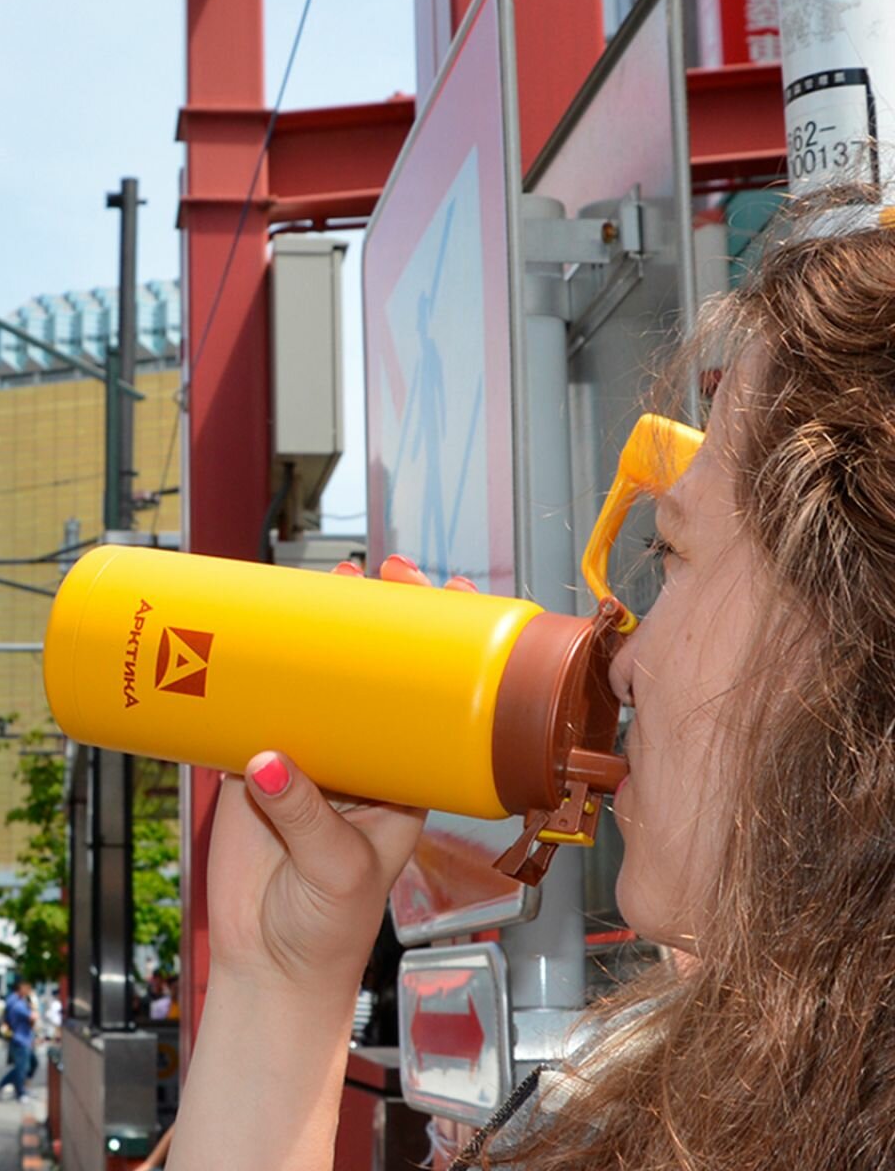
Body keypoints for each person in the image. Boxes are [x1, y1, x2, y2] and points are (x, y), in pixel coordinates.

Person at [164, 190, 895, 1171]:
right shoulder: (723, 1090)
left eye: (671, 553)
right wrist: (282, 979)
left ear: (844, 630)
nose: (623, 661)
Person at [0, 980, 37, 1103]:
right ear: (21, 987)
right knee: (22, 1067)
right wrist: (33, 1005)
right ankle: (19, 1091)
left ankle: (16, 1086)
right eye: (27, 987)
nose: (29, 990)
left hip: (23, 1038)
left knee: (30, 1064)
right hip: (20, 1038)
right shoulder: (17, 1003)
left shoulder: (16, 1000)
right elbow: (33, 1017)